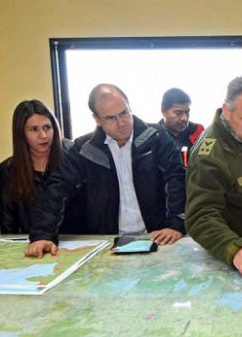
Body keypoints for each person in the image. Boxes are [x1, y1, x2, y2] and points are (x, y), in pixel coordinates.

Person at [26, 84, 186, 257]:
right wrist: (42, 235)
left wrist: (176, 224)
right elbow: (58, 189)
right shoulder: (84, 150)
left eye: (124, 113)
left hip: (158, 238)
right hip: (108, 242)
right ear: (97, 119)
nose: (122, 123)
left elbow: (176, 178)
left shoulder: (157, 137)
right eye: (111, 118)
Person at [186, 73, 242, 280]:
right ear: (227, 111)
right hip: (231, 253)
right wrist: (235, 249)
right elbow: (200, 216)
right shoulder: (208, 155)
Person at [0, 100, 84, 234]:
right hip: (32, 246)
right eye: (33, 129)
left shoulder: (74, 158)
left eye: (47, 127)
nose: (43, 136)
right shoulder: (8, 170)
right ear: (21, 134)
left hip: (76, 242)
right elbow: (8, 226)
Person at [158, 88, 204, 165]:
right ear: (163, 111)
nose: (184, 118)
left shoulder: (198, 131)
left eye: (187, 112)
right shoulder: (155, 138)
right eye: (178, 113)